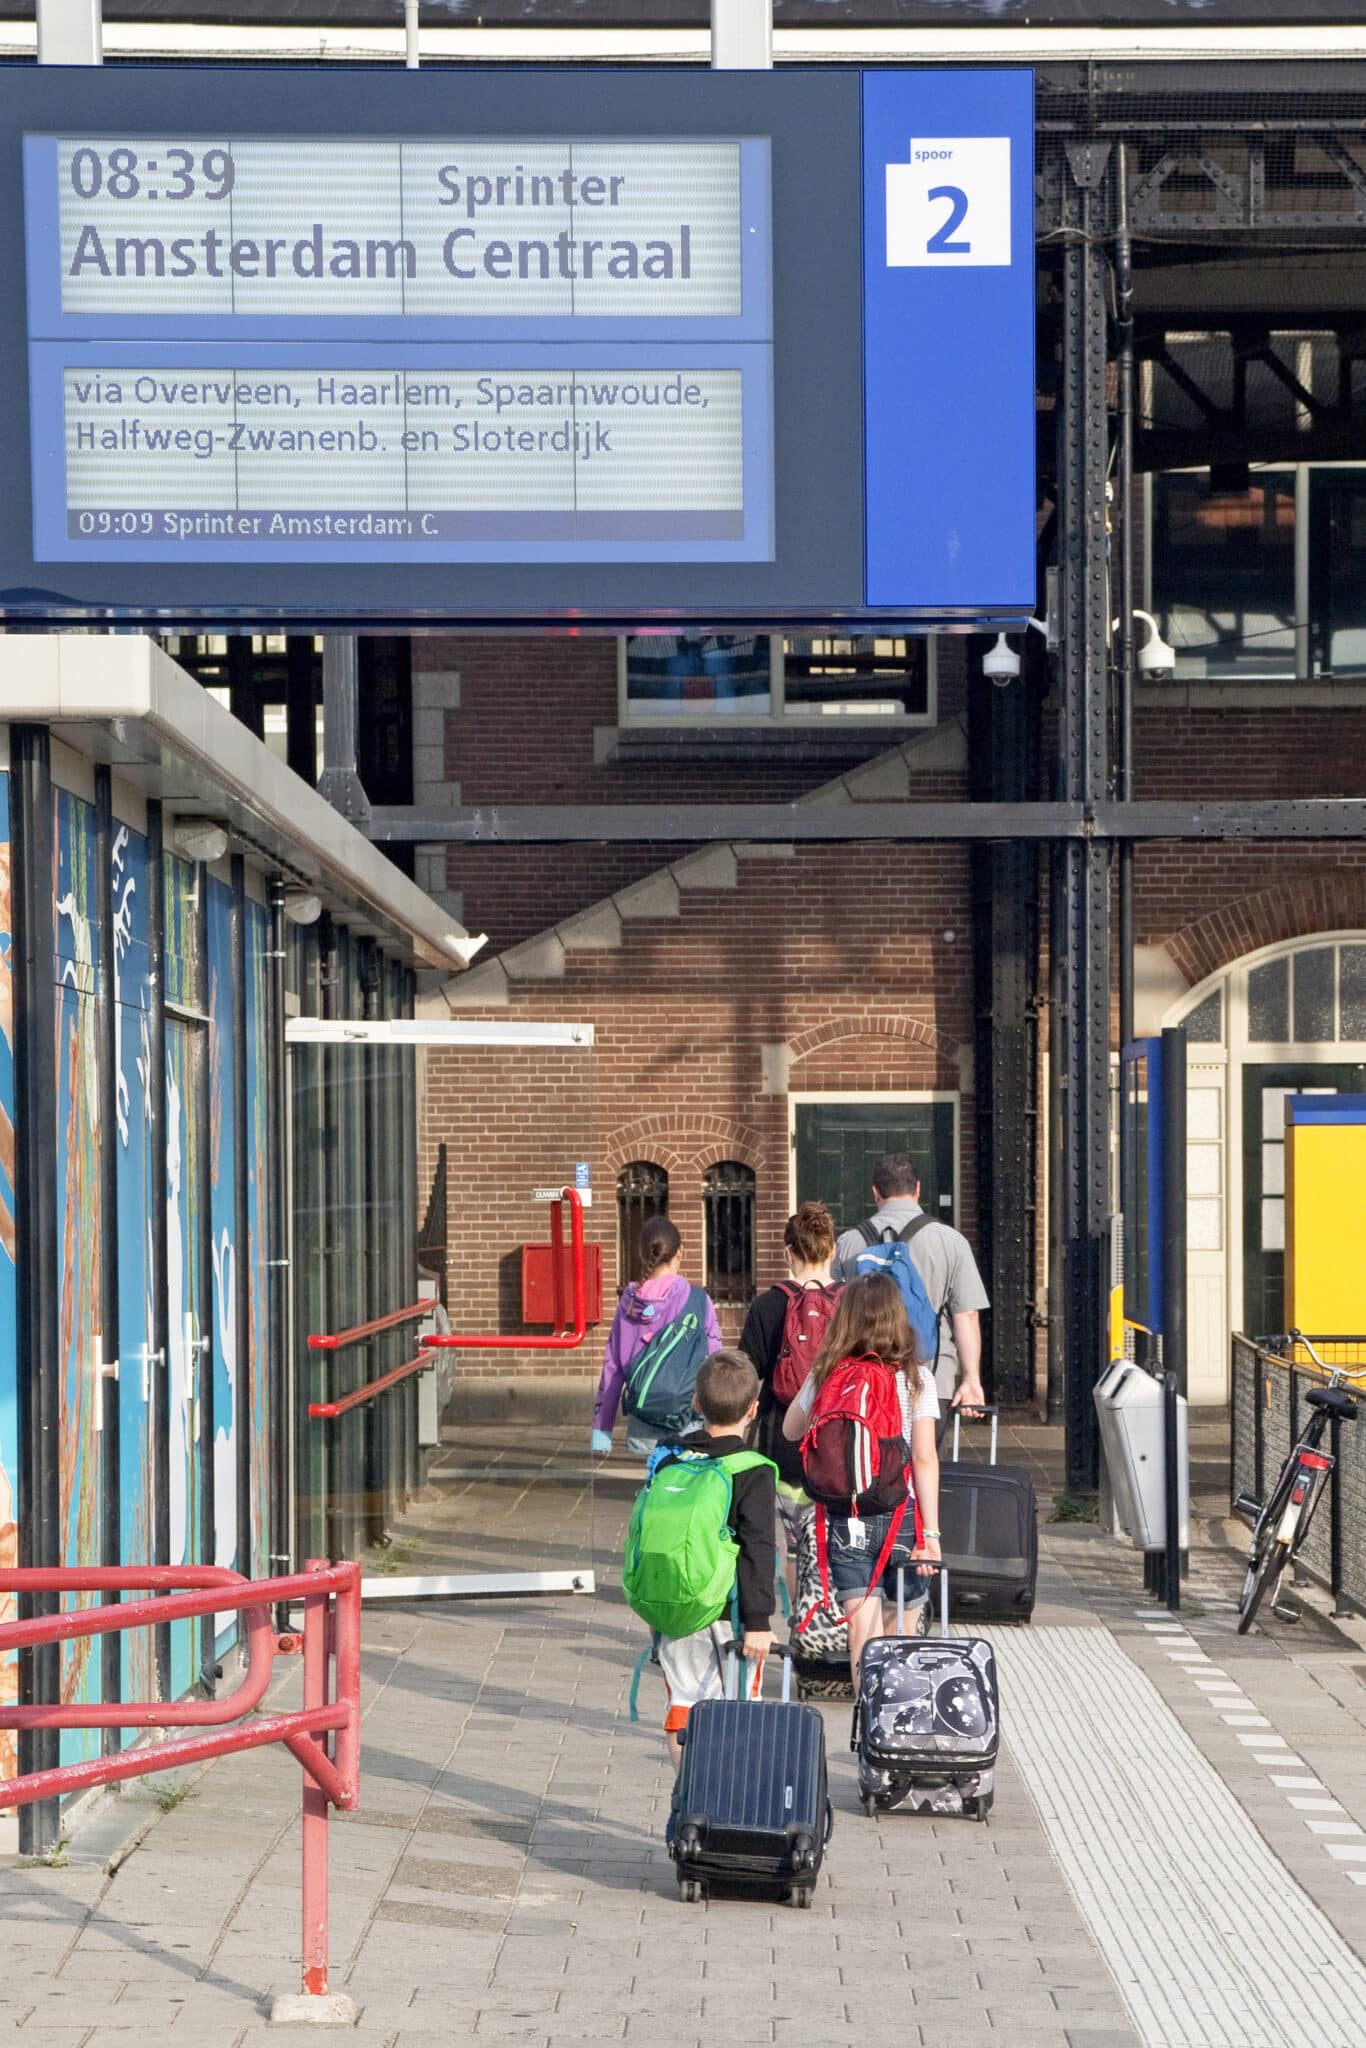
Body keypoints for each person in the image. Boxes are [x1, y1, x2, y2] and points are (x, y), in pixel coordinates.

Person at [782, 1272, 941, 1683]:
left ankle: (866, 1730)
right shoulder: (917, 1377)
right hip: (902, 1515)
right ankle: (895, 1727)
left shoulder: (828, 1372)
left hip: (846, 1514)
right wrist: (934, 1536)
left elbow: (790, 1431)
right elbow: (924, 1457)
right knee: (899, 1628)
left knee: (861, 1630)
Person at [650, 1350, 777, 1770]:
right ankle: (729, 1801)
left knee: (684, 1702)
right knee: (741, 1706)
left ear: (697, 1403)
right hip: (731, 1611)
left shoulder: (669, 1457)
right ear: (753, 1409)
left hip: (675, 1605)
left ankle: (688, 1796)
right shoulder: (753, 1470)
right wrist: (759, 1622)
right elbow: (759, 1548)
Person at [832, 1153, 988, 1416]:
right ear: (917, 1189)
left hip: (865, 1383)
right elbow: (967, 1315)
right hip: (932, 1377)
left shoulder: (848, 1244)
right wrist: (971, 1378)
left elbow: (835, 1313)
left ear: (875, 1193)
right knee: (927, 1457)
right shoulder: (951, 1242)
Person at [739, 1200, 840, 1572]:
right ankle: (832, 1621)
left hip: (784, 1439)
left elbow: (747, 1375)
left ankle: (800, 1623)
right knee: (835, 1541)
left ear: (788, 1254)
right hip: (840, 1440)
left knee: (795, 1545)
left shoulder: (767, 1305)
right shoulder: (852, 1304)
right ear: (833, 1249)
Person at [591, 1217, 722, 1457]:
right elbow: (713, 1363)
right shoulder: (698, 1300)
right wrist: (719, 1426)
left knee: (651, 1487)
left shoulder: (629, 1304)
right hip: (687, 1419)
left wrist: (602, 1432)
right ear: (680, 1251)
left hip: (642, 1421)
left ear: (642, 1255)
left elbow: (613, 1368)